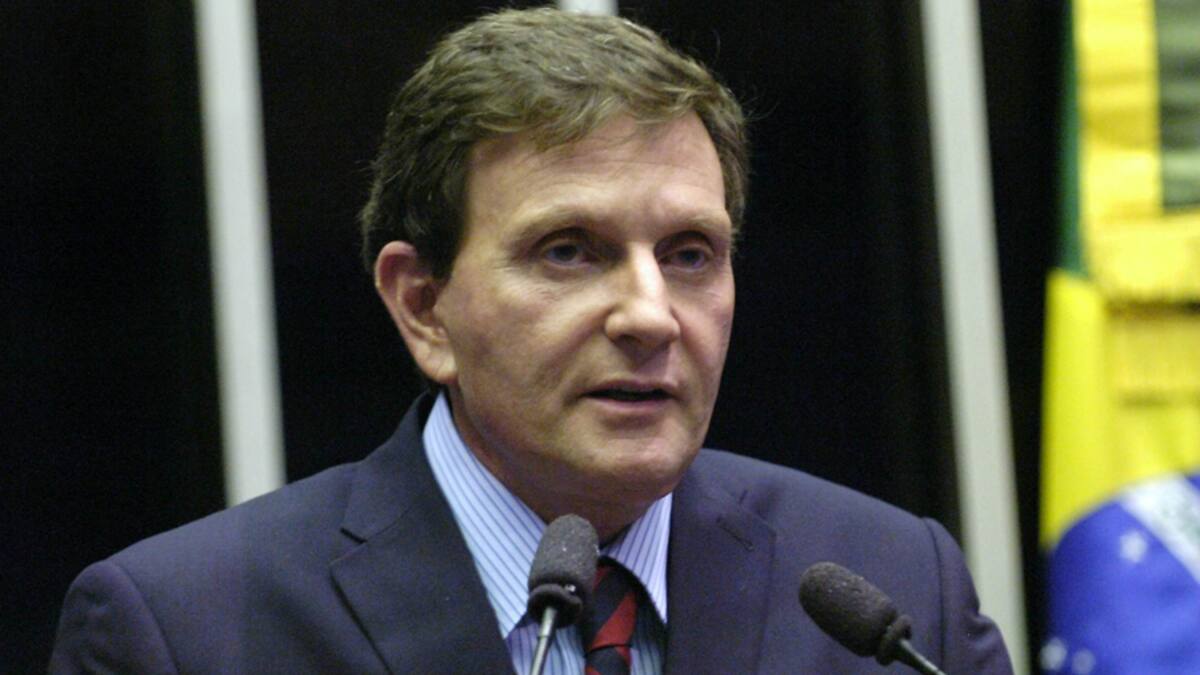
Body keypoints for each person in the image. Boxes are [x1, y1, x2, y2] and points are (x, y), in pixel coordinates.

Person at [51, 7, 1012, 674]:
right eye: (568, 251)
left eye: (689, 254)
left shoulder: (890, 592)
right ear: (423, 306)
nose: (650, 315)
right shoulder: (186, 630)